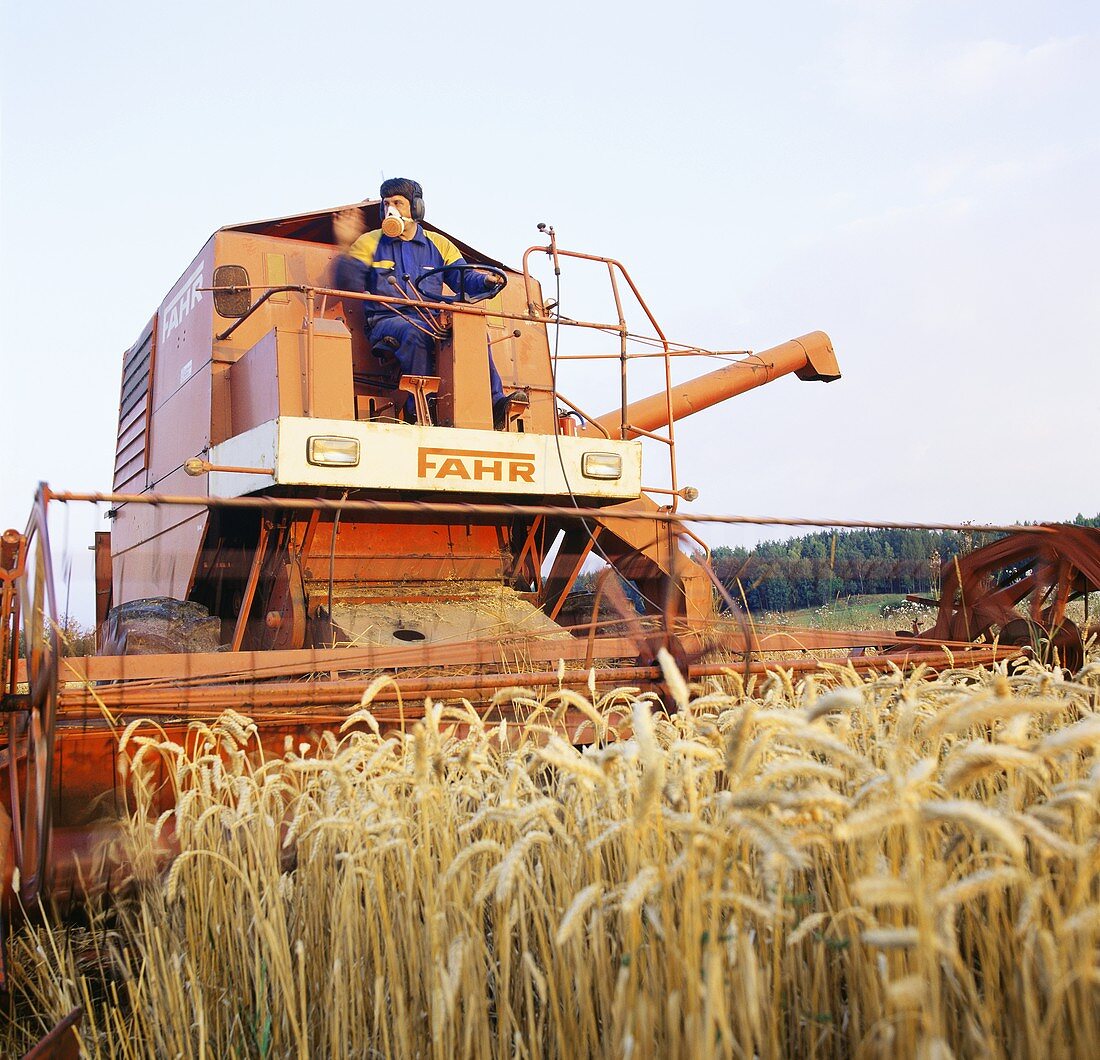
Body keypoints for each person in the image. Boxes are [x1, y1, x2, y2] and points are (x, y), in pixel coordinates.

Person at [333, 177, 515, 427]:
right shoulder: (369, 242)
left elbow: (462, 279)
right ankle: (416, 410)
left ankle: (495, 404)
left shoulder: (439, 244)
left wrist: (486, 282)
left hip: (431, 318)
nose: (391, 209)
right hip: (386, 320)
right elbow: (347, 281)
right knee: (416, 333)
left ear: (416, 208)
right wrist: (345, 242)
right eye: (386, 204)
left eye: (398, 202)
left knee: (472, 332)